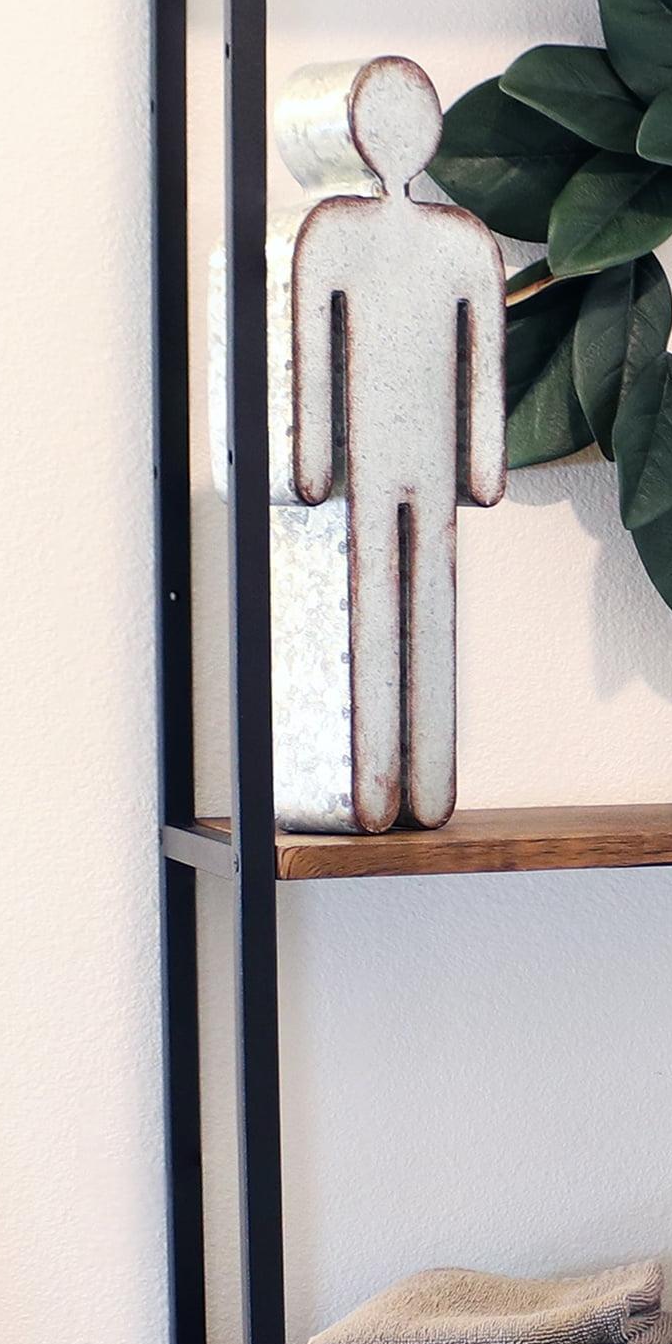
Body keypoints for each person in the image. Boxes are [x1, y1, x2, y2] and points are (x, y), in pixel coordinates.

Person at [286, 57, 507, 832]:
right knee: (381, 600)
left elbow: (482, 361)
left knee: (421, 599)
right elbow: (310, 353)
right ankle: (378, 787)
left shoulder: (454, 243)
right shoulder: (329, 234)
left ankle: (414, 785)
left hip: (411, 452)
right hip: (377, 460)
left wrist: (482, 467)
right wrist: (311, 465)